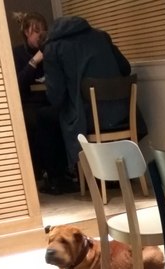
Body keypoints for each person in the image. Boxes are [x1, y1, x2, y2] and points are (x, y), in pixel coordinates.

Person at [43, 15, 148, 174]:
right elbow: (125, 68)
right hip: (122, 115)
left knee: (45, 118)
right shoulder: (101, 36)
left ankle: (68, 176)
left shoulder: (53, 48)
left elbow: (56, 97)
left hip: (86, 120)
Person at [12, 12, 77, 195]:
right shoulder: (18, 53)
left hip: (50, 100)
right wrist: (35, 60)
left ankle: (64, 172)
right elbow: (18, 84)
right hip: (30, 103)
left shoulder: (51, 50)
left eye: (43, 31)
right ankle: (52, 175)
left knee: (62, 117)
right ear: (26, 32)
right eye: (36, 31)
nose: (40, 35)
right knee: (39, 122)